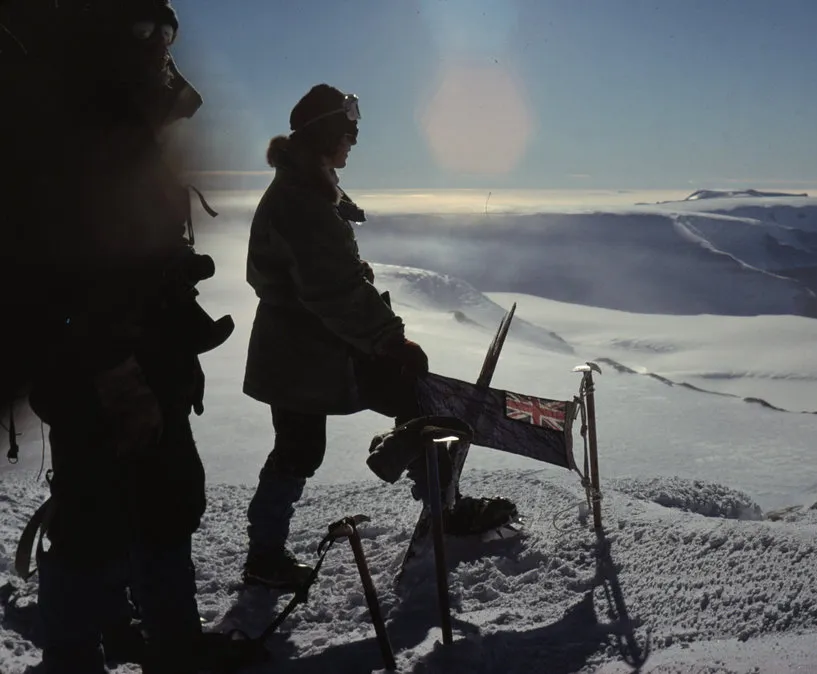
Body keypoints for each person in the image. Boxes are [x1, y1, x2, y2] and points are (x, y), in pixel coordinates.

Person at [1, 1, 258, 672]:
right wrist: (115, 371)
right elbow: (58, 265)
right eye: (150, 30)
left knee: (163, 500)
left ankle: (162, 641)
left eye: (165, 30)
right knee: (95, 518)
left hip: (138, 356)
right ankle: (76, 656)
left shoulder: (107, 118)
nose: (162, 46)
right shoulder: (73, 124)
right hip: (102, 364)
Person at [241, 84, 516, 591]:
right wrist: (390, 339)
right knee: (301, 448)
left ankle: (441, 502)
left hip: (317, 346)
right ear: (324, 134)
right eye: (347, 133)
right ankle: (265, 556)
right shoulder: (301, 197)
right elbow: (331, 288)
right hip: (302, 351)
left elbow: (328, 272)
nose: (353, 144)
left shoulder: (308, 184)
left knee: (412, 400)